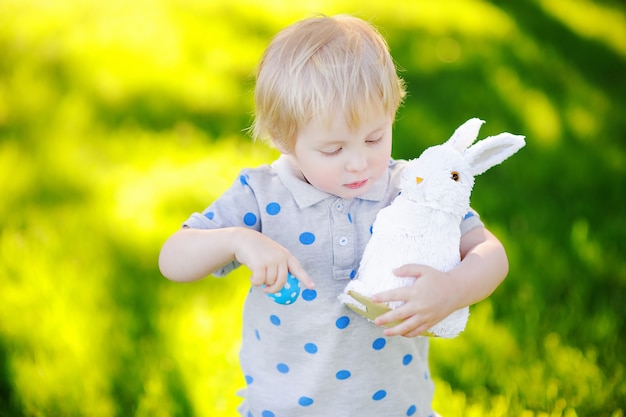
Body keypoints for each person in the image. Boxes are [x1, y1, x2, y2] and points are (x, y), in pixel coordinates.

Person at [159, 14, 509, 417]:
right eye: (333, 150)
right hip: (284, 408)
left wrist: (453, 289)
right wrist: (238, 240)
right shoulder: (260, 195)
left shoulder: (411, 188)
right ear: (282, 138)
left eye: (375, 138)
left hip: (396, 407)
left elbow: (489, 251)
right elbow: (173, 259)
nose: (359, 162)